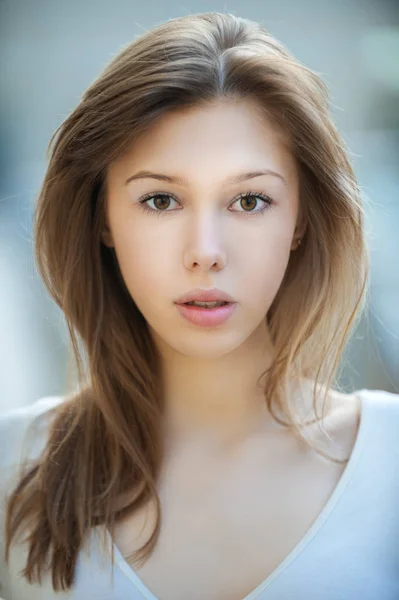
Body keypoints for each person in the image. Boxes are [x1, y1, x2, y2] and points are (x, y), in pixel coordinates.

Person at [0, 11, 398, 600]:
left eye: (249, 200)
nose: (205, 253)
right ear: (102, 217)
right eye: (161, 200)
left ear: (301, 221)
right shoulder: (13, 466)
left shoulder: (389, 461)